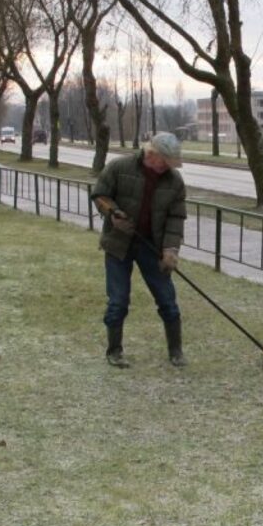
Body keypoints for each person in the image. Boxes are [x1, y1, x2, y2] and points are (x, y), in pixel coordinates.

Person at [91, 132, 188, 368]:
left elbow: (176, 218)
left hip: (152, 247)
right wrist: (113, 214)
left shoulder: (175, 182)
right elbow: (100, 194)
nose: (168, 167)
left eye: (171, 163)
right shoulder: (119, 167)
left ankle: (176, 351)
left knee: (167, 299)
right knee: (118, 300)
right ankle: (114, 351)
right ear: (151, 154)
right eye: (165, 161)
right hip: (118, 244)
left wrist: (171, 249)